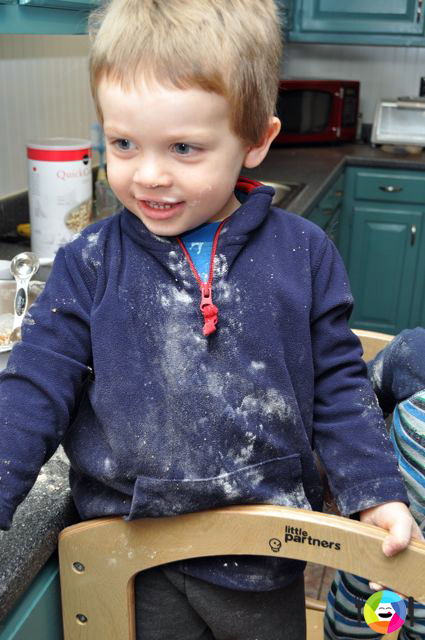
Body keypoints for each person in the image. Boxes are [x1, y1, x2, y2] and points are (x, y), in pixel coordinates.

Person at [0, 1, 422, 638]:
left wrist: (376, 489)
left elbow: (339, 386)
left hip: (265, 550)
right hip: (132, 547)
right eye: (122, 143)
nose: (147, 175)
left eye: (183, 148)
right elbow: (34, 385)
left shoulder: (305, 254)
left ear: (257, 141)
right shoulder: (88, 263)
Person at [324, 328, 425, 640]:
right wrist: (344, 485)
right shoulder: (414, 354)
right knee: (355, 626)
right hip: (381, 549)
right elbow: (356, 413)